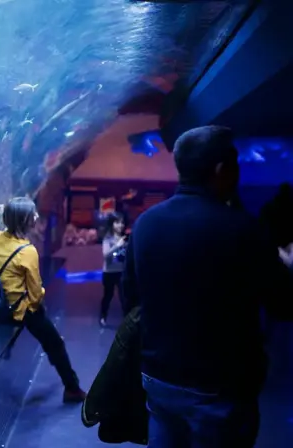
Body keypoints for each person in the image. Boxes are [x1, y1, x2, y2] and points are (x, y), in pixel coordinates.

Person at [122, 125, 293, 447]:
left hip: (158, 376)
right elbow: (283, 303)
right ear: (221, 169)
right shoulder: (242, 229)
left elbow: (129, 296)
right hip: (219, 387)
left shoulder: (146, 223)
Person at [0, 196, 86, 403]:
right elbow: (35, 295)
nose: (37, 216)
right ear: (24, 220)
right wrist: (41, 296)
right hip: (21, 311)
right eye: (32, 214)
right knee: (55, 344)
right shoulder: (27, 252)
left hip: (0, 306)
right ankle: (71, 388)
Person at [99, 212, 128, 326]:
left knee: (124, 297)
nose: (120, 225)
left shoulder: (125, 238)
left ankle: (127, 319)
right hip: (109, 273)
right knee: (108, 296)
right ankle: (103, 316)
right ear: (112, 224)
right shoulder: (108, 239)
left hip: (121, 272)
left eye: (122, 223)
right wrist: (117, 246)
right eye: (117, 223)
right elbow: (105, 255)